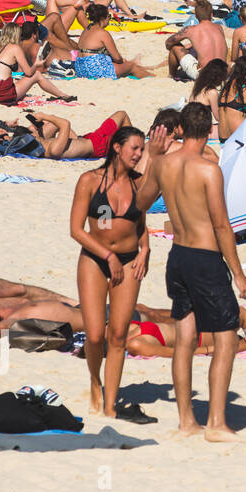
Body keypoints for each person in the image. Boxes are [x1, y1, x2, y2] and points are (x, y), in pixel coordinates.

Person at [135, 102, 246, 442]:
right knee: (226, 337)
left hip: (178, 256)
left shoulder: (163, 164)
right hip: (205, 259)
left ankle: (187, 420)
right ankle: (216, 422)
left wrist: (153, 158)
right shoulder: (208, 170)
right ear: (209, 130)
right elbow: (221, 224)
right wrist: (239, 273)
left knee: (185, 339)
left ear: (181, 130)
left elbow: (141, 204)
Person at [69, 124, 154, 423]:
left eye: (142, 149)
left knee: (117, 335)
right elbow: (76, 230)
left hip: (130, 262)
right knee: (94, 335)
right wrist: (108, 255)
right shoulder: (89, 181)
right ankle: (95, 382)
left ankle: (110, 404)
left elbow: (140, 225)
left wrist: (145, 250)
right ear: (117, 148)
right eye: (135, 148)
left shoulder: (140, 184)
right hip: (95, 259)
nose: (139, 154)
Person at [0, 23, 73, 106]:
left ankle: (61, 95)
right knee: (37, 75)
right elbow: (29, 73)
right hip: (3, 91)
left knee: (19, 83)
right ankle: (62, 95)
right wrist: (36, 64)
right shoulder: (15, 48)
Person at [75, 4, 155, 80]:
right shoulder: (102, 33)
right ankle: (154, 78)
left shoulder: (86, 30)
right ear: (103, 18)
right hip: (94, 69)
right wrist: (122, 61)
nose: (109, 18)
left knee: (124, 65)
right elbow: (117, 58)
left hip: (80, 69)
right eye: (109, 16)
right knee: (131, 66)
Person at [165, 0, 228, 81]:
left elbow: (168, 42)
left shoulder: (190, 30)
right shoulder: (219, 28)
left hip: (204, 75)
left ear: (196, 16)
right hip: (222, 73)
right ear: (211, 15)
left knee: (175, 47)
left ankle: (171, 76)